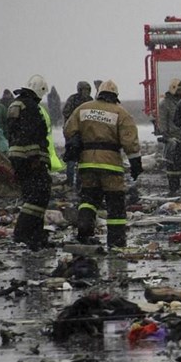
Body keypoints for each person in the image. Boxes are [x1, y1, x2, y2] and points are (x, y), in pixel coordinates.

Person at [64, 79, 141, 248]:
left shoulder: (82, 109)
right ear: (115, 96)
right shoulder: (121, 113)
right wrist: (136, 163)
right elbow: (130, 141)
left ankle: (84, 230)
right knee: (115, 204)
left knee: (89, 198)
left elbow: (69, 129)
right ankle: (116, 241)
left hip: (86, 163)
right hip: (110, 164)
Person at [7, 75, 52, 250]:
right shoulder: (31, 107)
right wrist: (34, 158)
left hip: (16, 156)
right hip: (29, 157)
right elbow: (32, 133)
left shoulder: (14, 105)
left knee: (30, 193)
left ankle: (35, 235)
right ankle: (23, 232)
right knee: (39, 194)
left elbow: (12, 133)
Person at [60, 81, 93, 189]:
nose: (86, 92)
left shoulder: (86, 100)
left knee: (78, 159)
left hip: (80, 134)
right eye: (84, 89)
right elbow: (66, 113)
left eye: (87, 90)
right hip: (77, 134)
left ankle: (75, 182)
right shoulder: (79, 99)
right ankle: (74, 181)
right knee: (75, 159)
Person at [157, 78, 181, 194]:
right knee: (172, 164)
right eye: (179, 90)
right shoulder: (165, 103)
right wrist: (165, 135)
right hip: (172, 138)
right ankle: (173, 187)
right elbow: (163, 120)